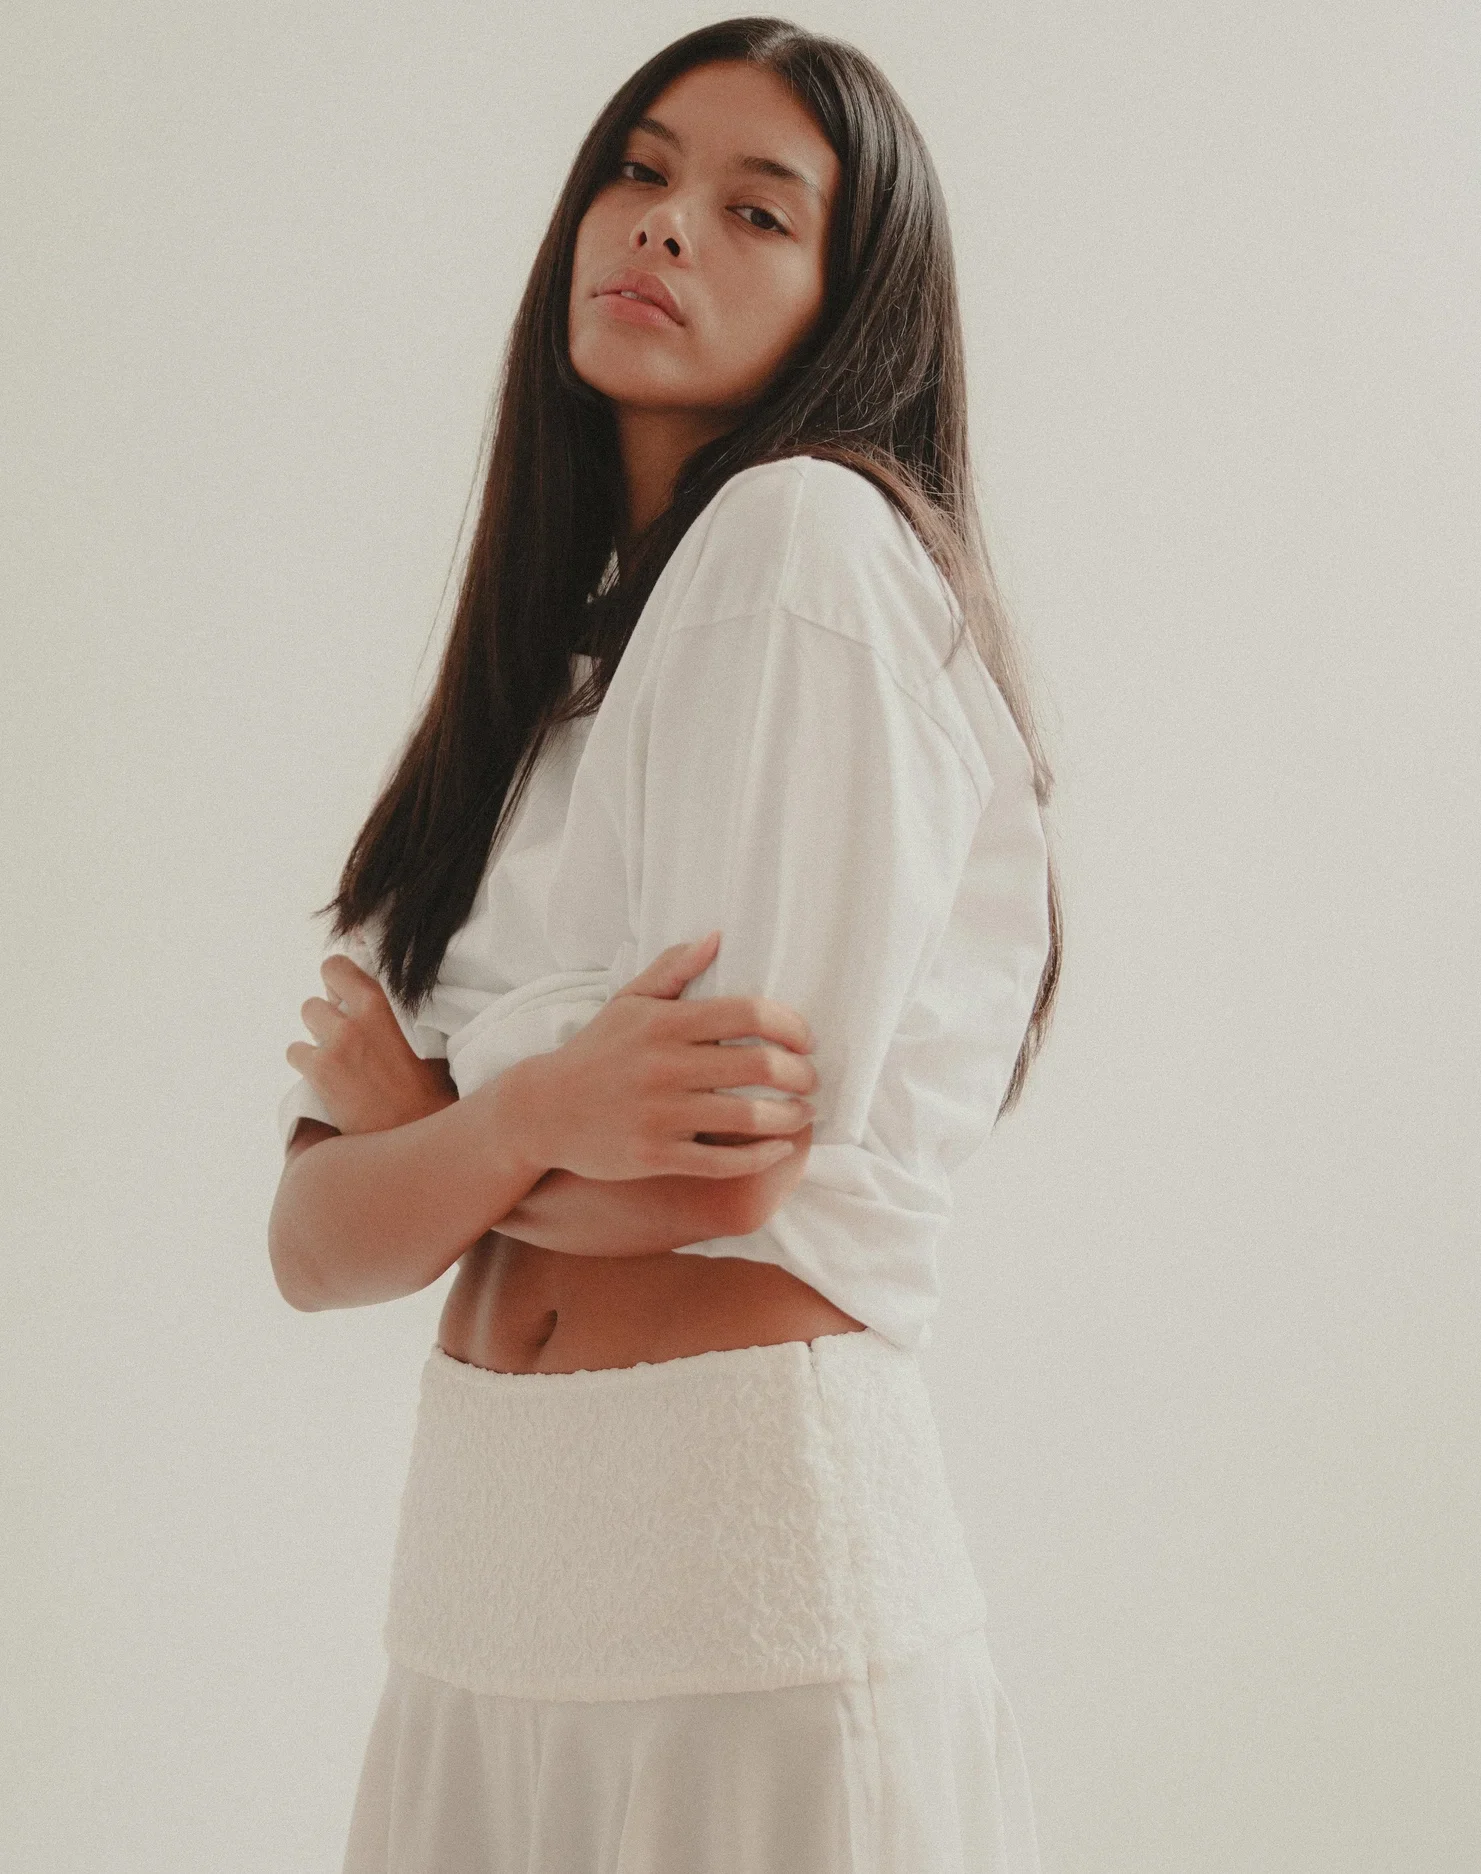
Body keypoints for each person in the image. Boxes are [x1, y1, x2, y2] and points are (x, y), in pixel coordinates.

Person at [268, 17, 1062, 1872]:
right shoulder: (526, 677)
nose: (665, 225)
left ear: (850, 302)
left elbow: (715, 1179)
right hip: (481, 1601)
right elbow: (309, 1245)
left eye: (754, 207)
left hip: (739, 1591)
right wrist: (540, 1108)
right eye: (638, 169)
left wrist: (437, 1130)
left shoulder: (802, 543)